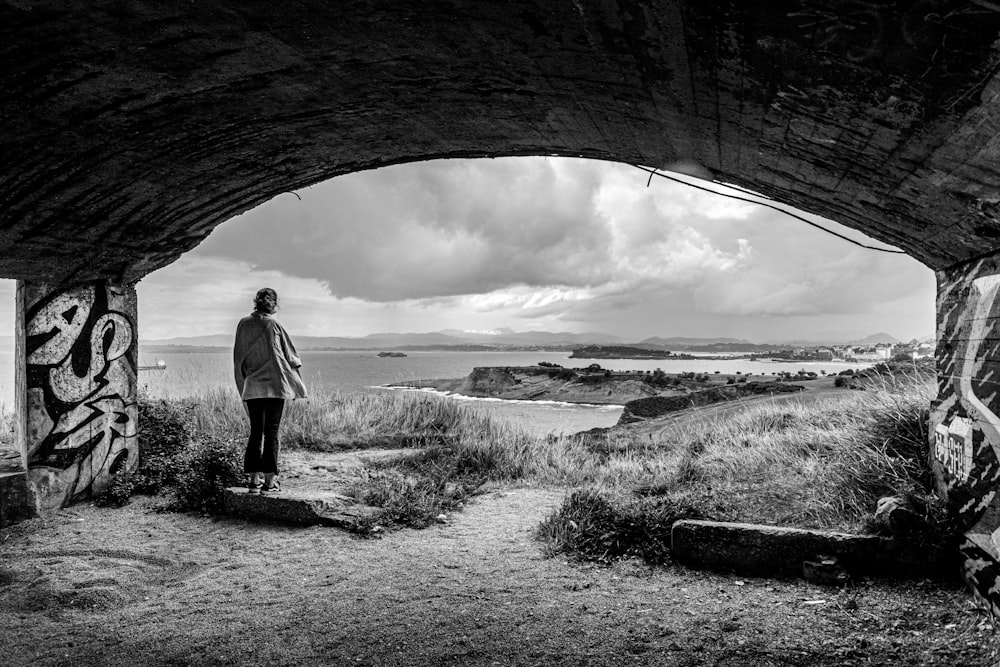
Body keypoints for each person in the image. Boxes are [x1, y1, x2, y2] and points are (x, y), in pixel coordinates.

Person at [233, 288, 307, 494]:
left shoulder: (243, 324)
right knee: (272, 432)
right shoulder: (274, 325)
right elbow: (291, 357)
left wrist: (243, 382)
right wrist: (298, 385)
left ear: (255, 303)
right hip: (275, 386)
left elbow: (238, 357)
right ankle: (269, 483)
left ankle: (253, 482)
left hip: (253, 386)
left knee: (256, 432)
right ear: (273, 305)